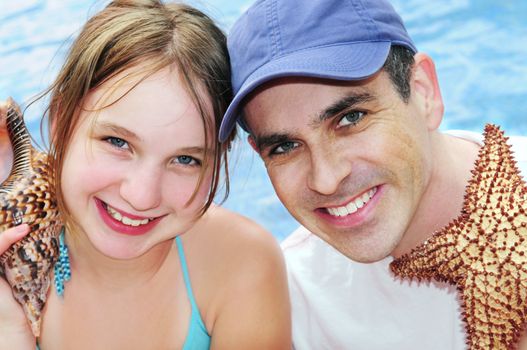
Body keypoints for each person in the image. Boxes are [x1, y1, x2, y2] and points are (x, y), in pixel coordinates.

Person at [218, 0, 527, 349]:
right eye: (285, 146)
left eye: (351, 118)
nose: (326, 178)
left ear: (423, 91)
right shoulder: (291, 306)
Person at [0, 1, 291, 348]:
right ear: (60, 121)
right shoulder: (14, 240)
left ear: (219, 158)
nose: (141, 195)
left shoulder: (238, 265)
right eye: (117, 142)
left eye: (185, 159)